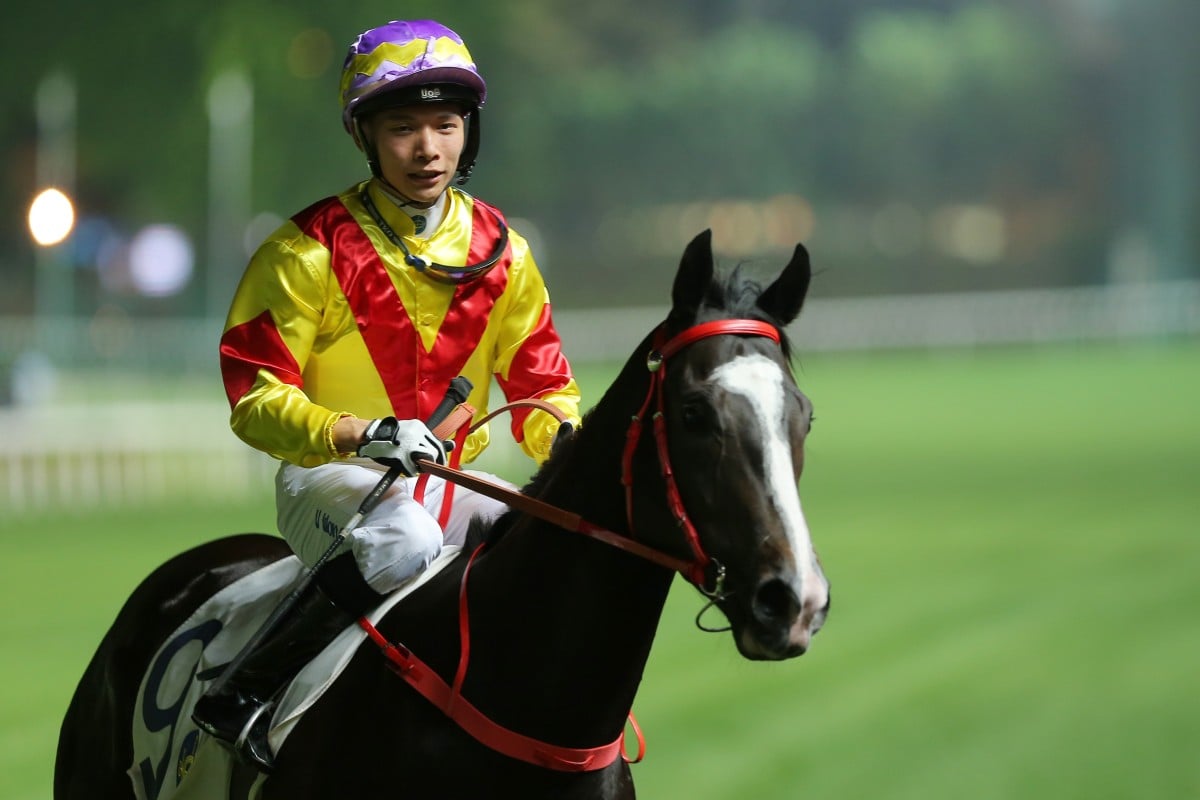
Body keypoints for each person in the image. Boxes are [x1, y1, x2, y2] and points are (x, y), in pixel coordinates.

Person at [193, 19, 582, 771]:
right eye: (403, 128)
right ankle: (247, 691)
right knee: (402, 541)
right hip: (332, 477)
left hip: (450, 479)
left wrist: (564, 441)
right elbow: (253, 395)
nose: (427, 148)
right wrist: (361, 434)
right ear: (365, 138)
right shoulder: (306, 250)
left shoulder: (508, 253)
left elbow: (544, 385)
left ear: (469, 131)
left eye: (445, 124)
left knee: (541, 547)